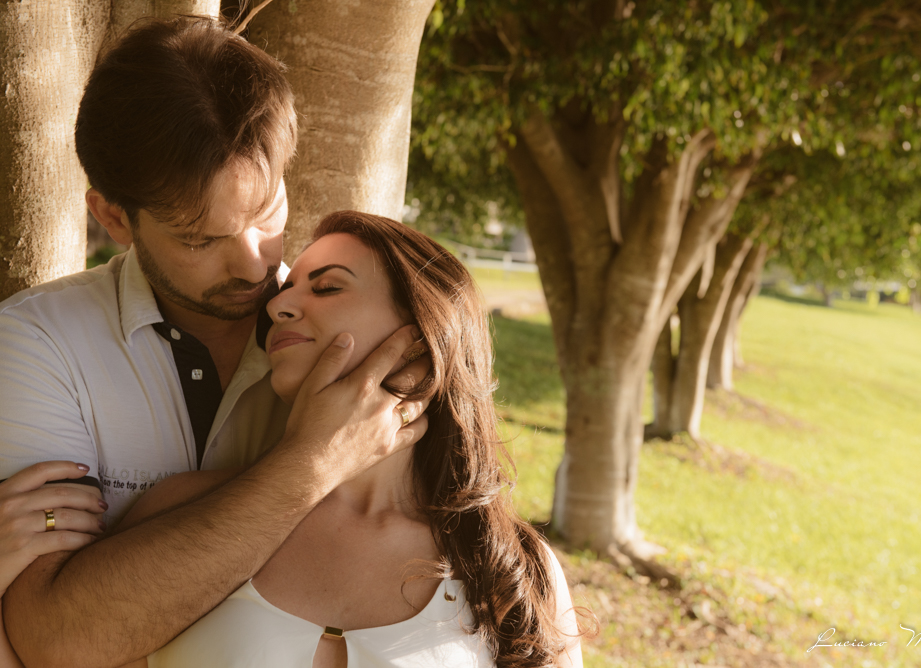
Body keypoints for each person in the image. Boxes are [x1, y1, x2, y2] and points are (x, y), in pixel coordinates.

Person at [0, 17, 428, 667]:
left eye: (266, 212)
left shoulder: (352, 334)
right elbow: (59, 639)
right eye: (201, 240)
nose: (254, 264)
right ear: (113, 217)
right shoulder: (35, 344)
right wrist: (312, 464)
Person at [113, 210, 584, 668]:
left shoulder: (510, 565)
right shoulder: (179, 510)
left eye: (327, 287)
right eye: (286, 291)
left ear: (424, 335)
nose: (276, 307)